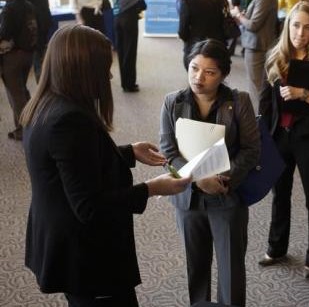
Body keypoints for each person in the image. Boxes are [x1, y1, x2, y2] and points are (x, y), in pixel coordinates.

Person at [21, 24, 191, 307]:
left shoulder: (45, 104)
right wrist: (150, 188)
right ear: (82, 70)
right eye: (103, 67)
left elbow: (71, 166)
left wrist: (127, 153)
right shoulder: (70, 121)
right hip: (86, 256)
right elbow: (89, 206)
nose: (110, 74)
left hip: (62, 240)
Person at [159, 39, 260, 307]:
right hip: (189, 198)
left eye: (209, 72)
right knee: (196, 265)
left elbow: (251, 149)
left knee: (231, 269)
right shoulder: (172, 102)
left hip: (226, 196)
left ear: (224, 74)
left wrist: (222, 180)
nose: (198, 77)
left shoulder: (239, 101)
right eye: (194, 68)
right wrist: (197, 180)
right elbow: (168, 153)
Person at [258, 1, 309, 278]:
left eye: (307, 27)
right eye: (296, 25)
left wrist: (303, 93)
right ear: (288, 26)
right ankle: (276, 247)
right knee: (279, 194)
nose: (300, 33)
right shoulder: (275, 56)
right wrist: (261, 136)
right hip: (280, 135)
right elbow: (265, 101)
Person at [233, 0, 278, 113]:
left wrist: (238, 15)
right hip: (259, 45)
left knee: (256, 87)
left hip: (257, 46)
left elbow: (253, 25)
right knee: (257, 86)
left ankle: (261, 119)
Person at [0, 0, 36, 141]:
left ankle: (24, 130)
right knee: (22, 90)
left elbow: (5, 34)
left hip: (12, 57)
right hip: (28, 54)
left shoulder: (9, 8)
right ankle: (32, 122)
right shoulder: (28, 4)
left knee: (16, 95)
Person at [178, 0, 226, 70]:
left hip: (195, 47)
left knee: (195, 77)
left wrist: (188, 40)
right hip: (217, 45)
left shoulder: (187, 0)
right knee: (214, 75)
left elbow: (182, 31)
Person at [114, 0, 147, 93]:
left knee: (121, 52)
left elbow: (115, 3)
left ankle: (124, 83)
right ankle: (130, 84)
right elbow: (143, 6)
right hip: (129, 20)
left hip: (117, 19)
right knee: (130, 52)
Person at [20, 0, 52, 81]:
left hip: (37, 22)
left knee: (37, 53)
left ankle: (41, 82)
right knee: (40, 51)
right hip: (44, 19)